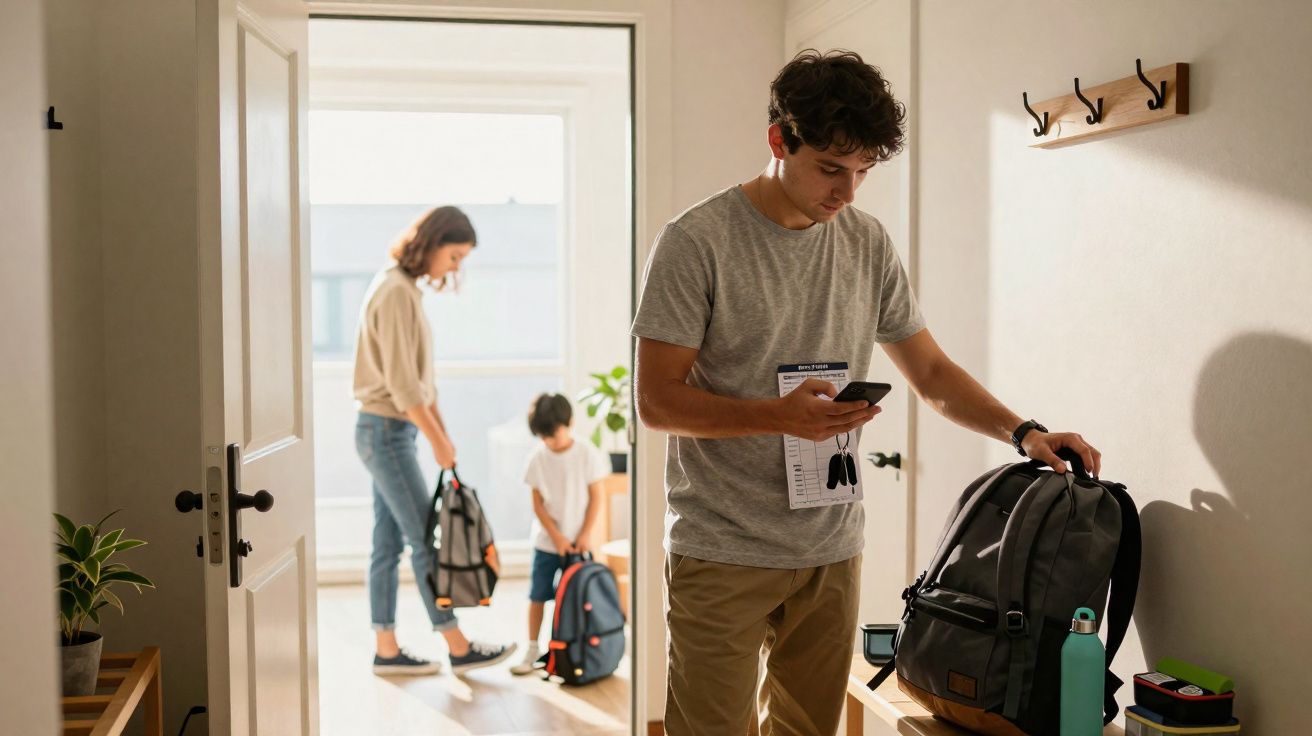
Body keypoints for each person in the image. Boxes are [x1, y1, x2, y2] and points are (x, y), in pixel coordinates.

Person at [631, 50, 1102, 735]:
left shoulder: (866, 242)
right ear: (778, 142)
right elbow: (657, 402)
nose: (846, 192)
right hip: (722, 549)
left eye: (861, 173)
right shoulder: (695, 241)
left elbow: (933, 375)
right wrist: (777, 417)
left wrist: (1024, 431)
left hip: (832, 547)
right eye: (830, 168)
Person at [353, 205, 515, 675]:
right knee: (426, 540)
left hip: (384, 429)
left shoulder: (401, 288)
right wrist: (437, 440)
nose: (455, 267)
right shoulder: (396, 292)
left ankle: (387, 649)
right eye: (456, 255)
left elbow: (421, 383)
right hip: (387, 430)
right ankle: (458, 645)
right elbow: (405, 388)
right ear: (434, 243)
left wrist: (440, 433)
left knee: (387, 544)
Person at [509, 393, 609, 675]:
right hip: (547, 543)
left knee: (576, 598)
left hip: (579, 544)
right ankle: (532, 648)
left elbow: (596, 497)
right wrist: (557, 537)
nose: (549, 441)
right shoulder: (537, 459)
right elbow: (537, 503)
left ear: (570, 423)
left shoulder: (587, 454)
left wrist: (585, 535)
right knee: (538, 595)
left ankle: (572, 648)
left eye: (553, 434)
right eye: (544, 436)